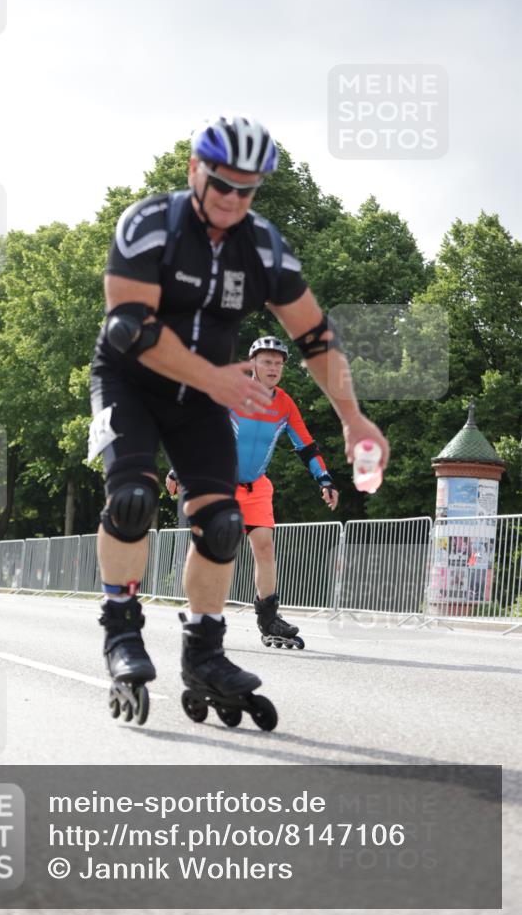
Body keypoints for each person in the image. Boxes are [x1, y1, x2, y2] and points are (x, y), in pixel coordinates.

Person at [89, 113, 388, 729]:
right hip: (130, 381)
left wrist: (354, 418)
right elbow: (130, 326)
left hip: (205, 394)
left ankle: (204, 651)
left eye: (246, 190)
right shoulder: (149, 225)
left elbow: (313, 333)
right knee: (133, 499)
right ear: (196, 171)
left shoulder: (263, 247)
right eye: (222, 184)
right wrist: (217, 378)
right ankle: (121, 629)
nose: (231, 199)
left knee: (223, 522)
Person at [166, 334, 338, 650]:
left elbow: (306, 445)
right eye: (266, 361)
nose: (273, 368)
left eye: (278, 363)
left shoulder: (285, 404)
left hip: (256, 485)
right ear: (253, 364)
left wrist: (324, 480)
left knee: (265, 546)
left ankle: (268, 617)